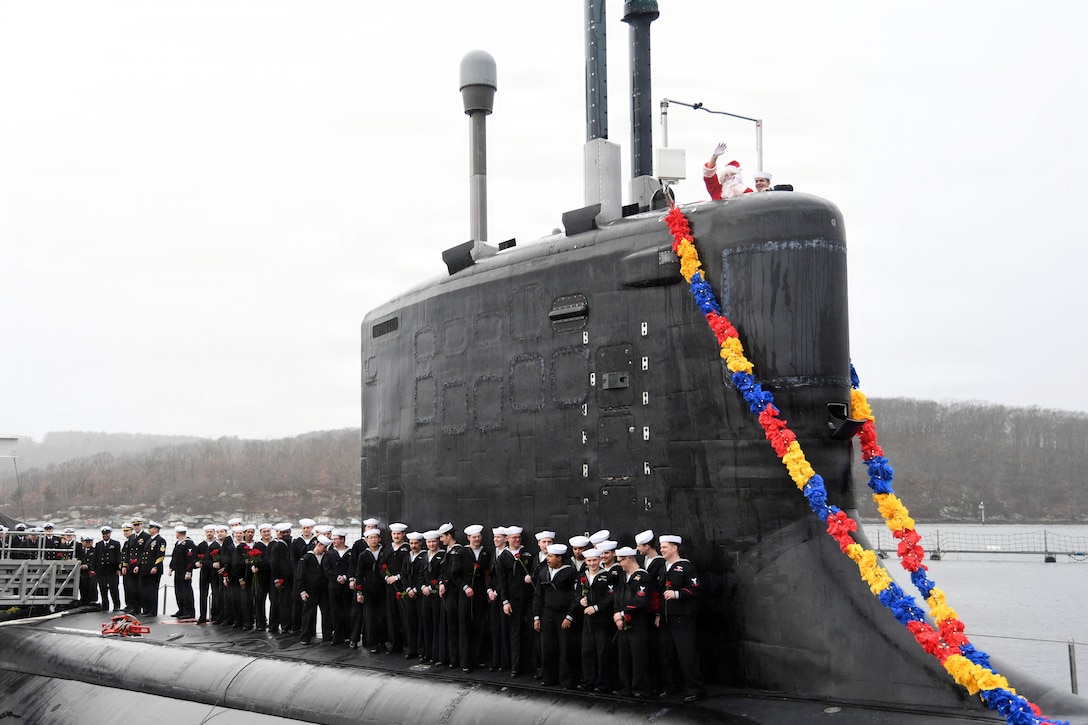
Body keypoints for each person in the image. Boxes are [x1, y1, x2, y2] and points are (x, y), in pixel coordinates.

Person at [658, 534, 705, 702]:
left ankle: (695, 688)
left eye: (664, 547)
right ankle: (672, 686)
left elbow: (696, 589)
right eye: (661, 547)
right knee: (667, 654)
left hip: (683, 617)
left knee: (686, 654)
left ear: (674, 548)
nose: (661, 550)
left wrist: (677, 594)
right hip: (666, 617)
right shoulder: (664, 567)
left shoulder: (686, 567)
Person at [533, 542, 576, 688]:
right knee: (547, 647)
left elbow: (576, 596)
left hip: (563, 614)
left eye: (551, 556)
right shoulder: (543, 572)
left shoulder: (570, 573)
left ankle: (566, 680)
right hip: (547, 614)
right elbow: (538, 595)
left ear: (560, 558)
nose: (547, 558)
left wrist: (569, 616)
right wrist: (537, 616)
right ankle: (549, 678)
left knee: (565, 648)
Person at [612, 545, 652, 699]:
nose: (619, 564)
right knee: (624, 657)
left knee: (638, 656)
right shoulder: (623, 576)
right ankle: (625, 687)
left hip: (637, 623)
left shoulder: (642, 577)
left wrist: (623, 613)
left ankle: (640, 688)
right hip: (622, 623)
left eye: (620, 561)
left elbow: (640, 600)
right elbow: (617, 596)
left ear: (628, 559)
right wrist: (616, 614)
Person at [496, 525, 534, 678]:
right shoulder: (503, 558)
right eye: (514, 538)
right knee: (515, 633)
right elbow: (501, 582)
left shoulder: (527, 555)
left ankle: (530, 665)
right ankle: (516, 666)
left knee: (529, 632)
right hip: (513, 600)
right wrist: (505, 601)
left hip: (528, 599)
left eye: (519, 538)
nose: (517, 540)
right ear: (507, 539)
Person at [575, 547, 615, 693]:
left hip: (601, 620)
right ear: (586, 561)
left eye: (595, 560)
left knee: (602, 652)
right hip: (587, 621)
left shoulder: (606, 576)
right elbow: (576, 594)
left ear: (599, 560)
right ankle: (589, 681)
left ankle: (603, 683)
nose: (592, 563)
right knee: (587, 651)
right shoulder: (582, 577)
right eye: (589, 561)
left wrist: (597, 607)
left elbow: (611, 597)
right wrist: (580, 601)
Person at [459, 524, 490, 673]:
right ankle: (466, 661)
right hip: (466, 595)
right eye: (474, 537)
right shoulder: (462, 553)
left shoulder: (485, 553)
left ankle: (478, 658)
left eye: (479, 537)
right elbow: (455, 574)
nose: (477, 539)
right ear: (468, 538)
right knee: (466, 627)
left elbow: (487, 573)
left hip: (480, 594)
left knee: (480, 626)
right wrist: (465, 587)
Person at [437, 522, 463, 669]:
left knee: (453, 626)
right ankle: (446, 656)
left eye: (442, 537)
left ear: (449, 535)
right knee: (446, 625)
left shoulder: (457, 551)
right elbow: (443, 572)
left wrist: (444, 584)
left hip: (453, 593)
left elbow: (453, 572)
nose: (441, 540)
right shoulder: (448, 551)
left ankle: (454, 658)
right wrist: (441, 582)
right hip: (446, 593)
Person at [298, 535, 331, 645]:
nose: (325, 550)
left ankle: (327, 635)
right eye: (324, 547)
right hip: (311, 590)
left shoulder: (325, 556)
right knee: (308, 614)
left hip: (323, 590)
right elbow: (300, 576)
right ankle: (305, 636)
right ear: (319, 545)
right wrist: (302, 591)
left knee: (326, 613)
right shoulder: (306, 558)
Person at [419, 530, 445, 664]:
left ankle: (436, 654)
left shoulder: (443, 556)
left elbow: (442, 574)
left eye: (434, 541)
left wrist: (430, 587)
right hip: (425, 595)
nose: (431, 544)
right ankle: (426, 652)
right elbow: (420, 574)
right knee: (426, 623)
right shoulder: (424, 556)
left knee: (436, 625)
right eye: (429, 542)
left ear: (438, 541)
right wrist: (423, 586)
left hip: (435, 596)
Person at [324, 529, 353, 646]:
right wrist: (336, 577)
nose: (333, 541)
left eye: (336, 539)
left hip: (346, 586)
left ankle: (348, 634)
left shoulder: (350, 553)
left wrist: (345, 577)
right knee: (335, 611)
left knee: (347, 610)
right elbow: (326, 569)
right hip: (334, 586)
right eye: (333, 539)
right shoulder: (330, 553)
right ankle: (338, 635)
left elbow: (352, 567)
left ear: (342, 540)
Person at [487, 526, 510, 672]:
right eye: (494, 537)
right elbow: (490, 574)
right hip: (493, 596)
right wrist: (489, 589)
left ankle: (505, 662)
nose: (496, 540)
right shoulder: (493, 553)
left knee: (504, 629)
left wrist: (498, 592)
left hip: (503, 596)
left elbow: (506, 580)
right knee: (494, 629)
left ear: (505, 539)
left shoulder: (507, 555)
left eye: (499, 537)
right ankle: (496, 660)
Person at [267, 522, 294, 635]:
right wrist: (277, 579)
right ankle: (283, 625)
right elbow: (274, 564)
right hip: (282, 578)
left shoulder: (293, 544)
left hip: (292, 578)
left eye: (287, 532)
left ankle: (291, 624)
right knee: (282, 603)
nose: (285, 534)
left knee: (290, 602)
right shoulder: (277, 546)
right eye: (283, 533)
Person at [168, 524, 196, 619]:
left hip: (184, 571)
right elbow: (174, 557)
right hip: (178, 571)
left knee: (186, 591)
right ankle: (181, 609)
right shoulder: (178, 543)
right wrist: (171, 567)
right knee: (178, 591)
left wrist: (189, 571)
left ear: (178, 533)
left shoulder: (188, 544)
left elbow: (190, 558)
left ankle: (189, 611)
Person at [92, 525, 122, 611]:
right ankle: (105, 606)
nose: (105, 535)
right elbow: (95, 557)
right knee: (103, 589)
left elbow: (118, 557)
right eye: (104, 534)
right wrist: (93, 569)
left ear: (110, 534)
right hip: (101, 570)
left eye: (107, 534)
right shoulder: (98, 544)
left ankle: (116, 605)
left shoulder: (115, 544)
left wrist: (118, 568)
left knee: (114, 589)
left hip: (112, 570)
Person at [194, 524, 219, 624]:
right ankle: (202, 616)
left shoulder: (217, 545)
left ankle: (215, 615)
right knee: (202, 594)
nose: (209, 534)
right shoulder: (201, 545)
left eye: (211, 532)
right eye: (207, 532)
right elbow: (195, 558)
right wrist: (196, 563)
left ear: (214, 532)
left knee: (216, 594)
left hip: (214, 573)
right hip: (204, 572)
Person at [120, 522, 139, 612]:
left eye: (127, 531)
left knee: (133, 588)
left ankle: (134, 606)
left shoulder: (133, 541)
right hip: (126, 569)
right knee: (126, 587)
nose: (125, 533)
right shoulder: (126, 543)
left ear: (131, 530)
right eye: (124, 531)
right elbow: (124, 556)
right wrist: (122, 566)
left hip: (132, 568)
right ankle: (129, 604)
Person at [75, 535, 97, 605]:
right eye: (86, 542)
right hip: (81, 572)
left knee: (92, 587)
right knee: (82, 587)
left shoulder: (95, 551)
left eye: (89, 542)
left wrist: (88, 566)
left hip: (90, 571)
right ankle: (83, 600)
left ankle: (92, 601)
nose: (88, 544)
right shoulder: (80, 551)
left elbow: (96, 561)